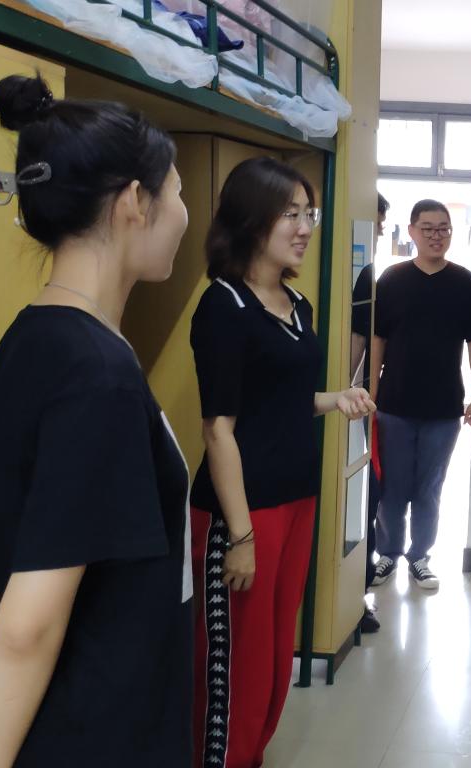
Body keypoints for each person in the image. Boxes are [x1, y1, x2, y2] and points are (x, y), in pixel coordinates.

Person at [0, 75, 192, 766]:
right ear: (134, 203)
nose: (184, 213)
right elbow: (30, 622)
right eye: (176, 192)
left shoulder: (36, 339)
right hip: (87, 732)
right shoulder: (95, 375)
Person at [189, 157, 375, 768]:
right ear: (251, 219)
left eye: (307, 214)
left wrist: (334, 399)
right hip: (243, 512)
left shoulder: (297, 304)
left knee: (273, 662)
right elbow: (219, 428)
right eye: (289, 214)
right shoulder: (223, 305)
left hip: (297, 500)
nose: (303, 227)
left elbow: (282, 399)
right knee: (235, 670)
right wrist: (240, 536)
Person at [369, 199, 471, 590]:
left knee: (429, 488)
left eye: (443, 229)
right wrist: (370, 394)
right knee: (392, 487)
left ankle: (420, 556)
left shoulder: (465, 283)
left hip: (443, 408)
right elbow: (377, 339)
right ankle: (387, 554)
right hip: (393, 405)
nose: (436, 236)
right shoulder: (391, 280)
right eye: (428, 228)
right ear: (412, 231)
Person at [351, 192, 387, 634]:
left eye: (379, 225)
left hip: (355, 409)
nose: (376, 233)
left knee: (367, 498)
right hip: (337, 405)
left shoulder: (368, 278)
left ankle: (356, 598)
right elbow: (354, 347)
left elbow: (361, 345)